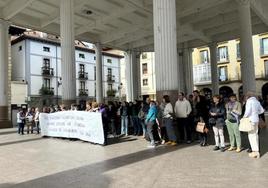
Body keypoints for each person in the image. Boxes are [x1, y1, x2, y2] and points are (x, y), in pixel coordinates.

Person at [243, 91, 264, 159]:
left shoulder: (249, 101)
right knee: (255, 135)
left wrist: (244, 117)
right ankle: (257, 152)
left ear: (247, 96)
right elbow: (262, 111)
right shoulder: (257, 102)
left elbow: (247, 111)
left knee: (251, 136)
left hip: (251, 120)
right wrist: (255, 113)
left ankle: (255, 152)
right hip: (256, 120)